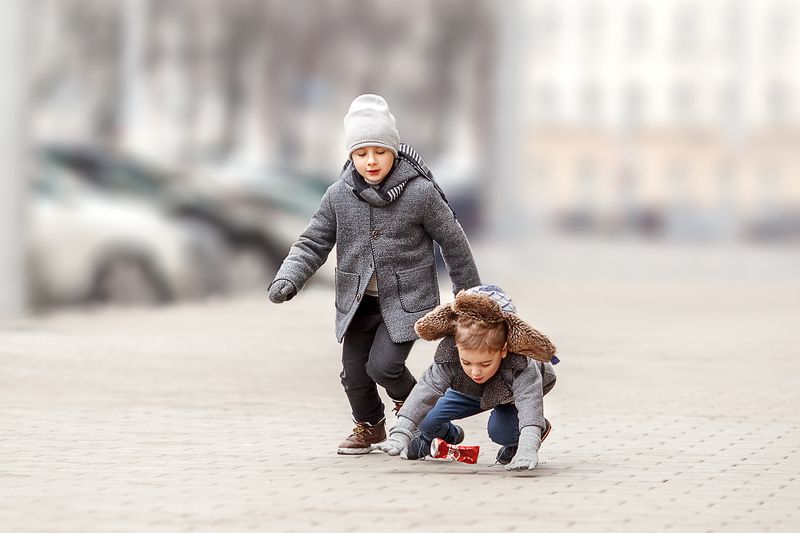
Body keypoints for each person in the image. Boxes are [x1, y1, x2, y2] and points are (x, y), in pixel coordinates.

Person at [268, 94, 480, 454]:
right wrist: (290, 277)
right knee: (354, 376)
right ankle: (371, 426)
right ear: (350, 155)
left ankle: (418, 417)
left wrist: (471, 299)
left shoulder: (420, 193)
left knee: (383, 367)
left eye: (379, 152)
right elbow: (313, 241)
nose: (371, 161)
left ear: (393, 151)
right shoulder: (338, 195)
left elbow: (454, 243)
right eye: (361, 152)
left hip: (407, 302)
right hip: (358, 303)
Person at [374, 284, 558, 471]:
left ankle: (522, 438)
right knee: (425, 416)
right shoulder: (449, 356)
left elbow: (529, 404)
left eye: (485, 363)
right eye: (467, 362)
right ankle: (445, 435)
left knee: (501, 432)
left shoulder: (521, 365)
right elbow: (424, 392)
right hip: (471, 390)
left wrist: (528, 447)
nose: (476, 371)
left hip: (510, 394)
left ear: (503, 350)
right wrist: (400, 432)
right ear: (457, 347)